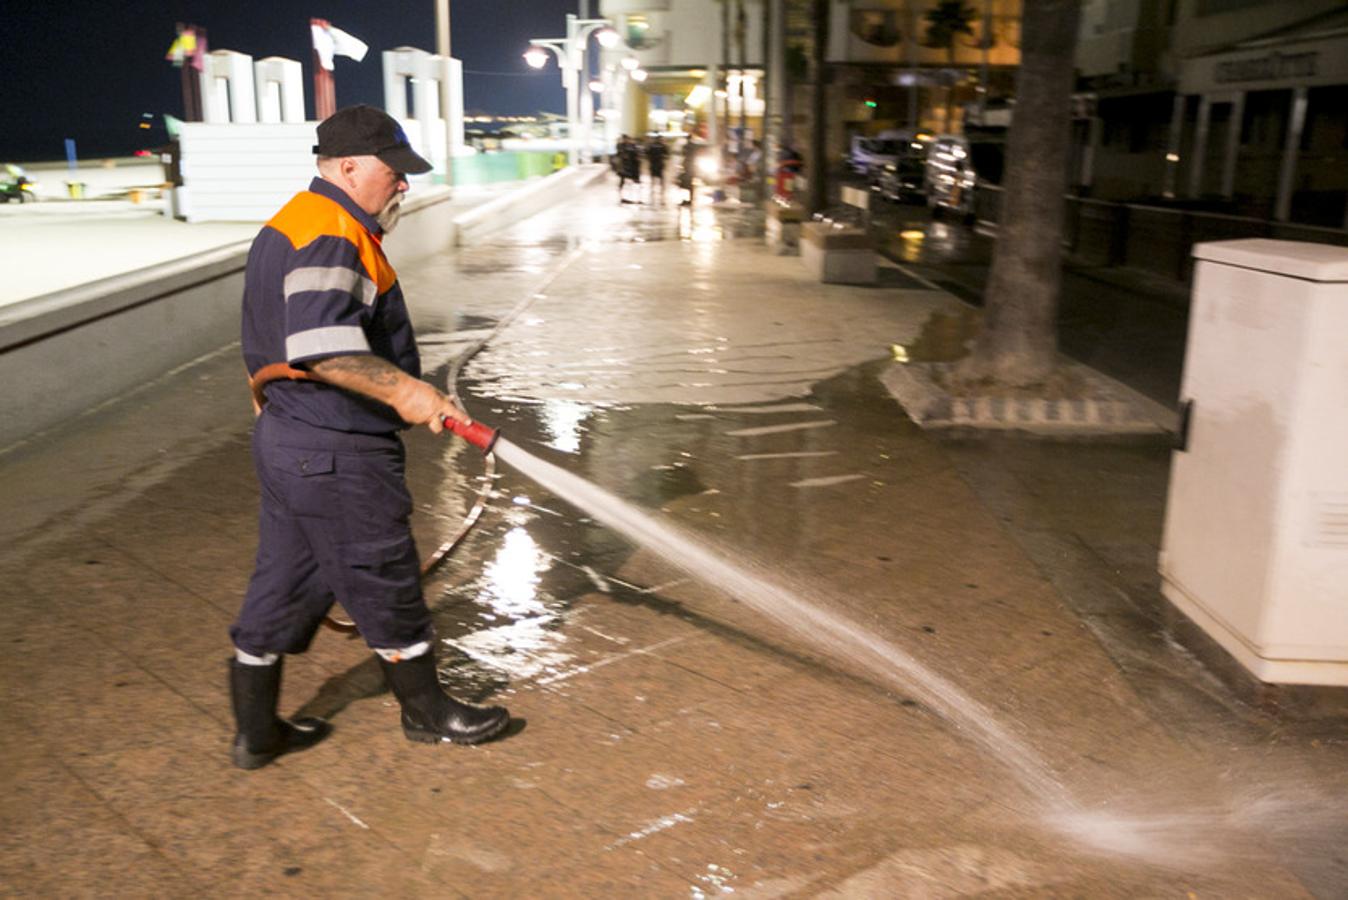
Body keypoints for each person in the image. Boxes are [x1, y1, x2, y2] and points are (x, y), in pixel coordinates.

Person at [231, 104, 510, 770]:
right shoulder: (333, 232)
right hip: (336, 450)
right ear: (348, 167)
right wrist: (410, 393)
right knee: (384, 577)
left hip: (291, 443)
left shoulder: (292, 224)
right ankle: (428, 712)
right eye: (394, 172)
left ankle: (256, 732)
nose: (404, 186)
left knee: (285, 585)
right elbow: (322, 348)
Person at [645, 135, 668, 205]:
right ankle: (662, 198)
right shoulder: (663, 146)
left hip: (653, 165)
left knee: (653, 182)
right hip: (660, 166)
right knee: (661, 182)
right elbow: (667, 155)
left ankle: (652, 197)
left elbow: (647, 155)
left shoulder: (651, 146)